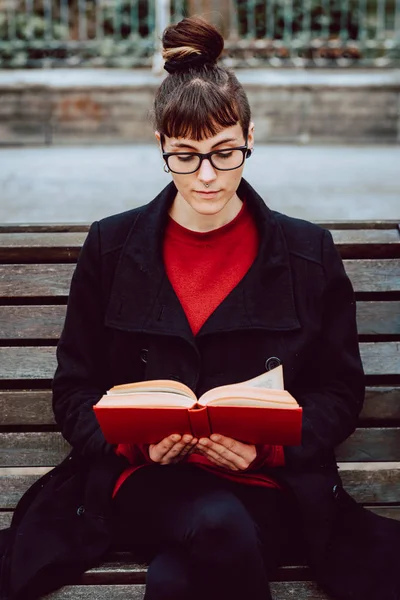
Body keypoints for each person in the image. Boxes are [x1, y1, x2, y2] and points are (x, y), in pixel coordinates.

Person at [1, 15, 400, 600]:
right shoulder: (111, 248)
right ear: (160, 145)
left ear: (251, 137)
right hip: (142, 483)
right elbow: (73, 390)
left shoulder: (307, 252)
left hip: (269, 485)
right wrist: (134, 444)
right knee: (214, 521)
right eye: (185, 156)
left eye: (224, 152)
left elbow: (340, 390)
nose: (208, 176)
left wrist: (265, 447)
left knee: (180, 575)